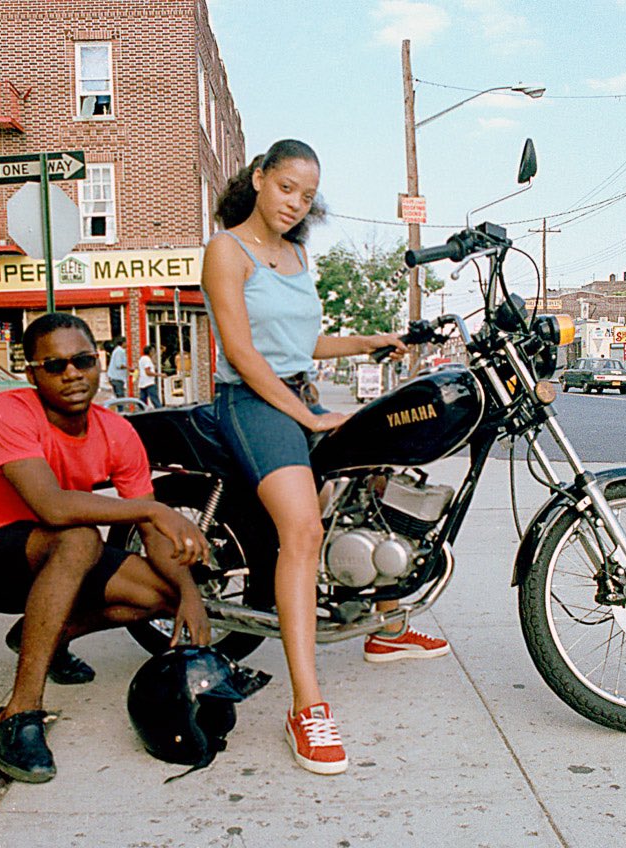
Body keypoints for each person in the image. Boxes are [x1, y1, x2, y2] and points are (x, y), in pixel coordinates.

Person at [203, 139, 448, 776]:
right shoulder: (225, 250)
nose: (295, 204)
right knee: (304, 530)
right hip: (252, 401)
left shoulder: (297, 253)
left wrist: (373, 340)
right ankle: (306, 706)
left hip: (298, 391)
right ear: (259, 179)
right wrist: (307, 416)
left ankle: (385, 625)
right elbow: (245, 352)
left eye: (307, 196)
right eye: (287, 188)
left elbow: (303, 339)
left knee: (376, 480)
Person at [0, 312, 211, 784]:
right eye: (55, 365)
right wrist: (156, 510)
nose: (71, 374)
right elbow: (52, 507)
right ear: (32, 373)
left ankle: (45, 636)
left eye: (82, 360)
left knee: (160, 594)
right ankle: (18, 713)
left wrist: (189, 595)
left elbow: (152, 536)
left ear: (98, 362)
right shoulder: (10, 409)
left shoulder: (118, 432)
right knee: (81, 537)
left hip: (61, 558)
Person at [137, 344, 164, 408]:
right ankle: (160, 412)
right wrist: (160, 375)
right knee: (155, 400)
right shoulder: (147, 359)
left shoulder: (142, 359)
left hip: (142, 383)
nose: (153, 353)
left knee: (142, 401)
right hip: (149, 383)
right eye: (153, 351)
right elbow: (148, 372)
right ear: (150, 352)